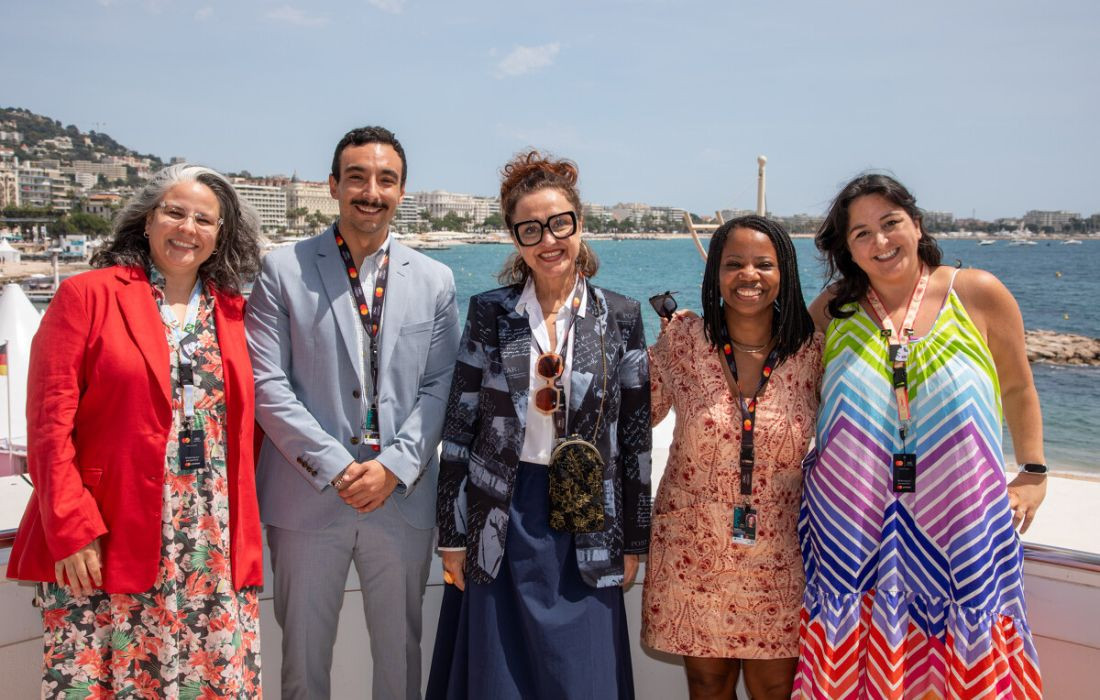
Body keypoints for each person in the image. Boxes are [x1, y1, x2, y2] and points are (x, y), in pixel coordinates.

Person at [6, 163, 264, 698]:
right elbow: (48, 426)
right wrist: (71, 529)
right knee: (111, 679)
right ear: (147, 220)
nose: (188, 228)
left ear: (221, 236)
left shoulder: (235, 312)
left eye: (204, 220)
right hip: (107, 532)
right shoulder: (87, 295)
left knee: (209, 680)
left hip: (209, 539)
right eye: (175, 212)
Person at [795, 173, 1046, 698]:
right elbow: (783, 384)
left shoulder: (976, 292)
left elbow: (1018, 386)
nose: (880, 241)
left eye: (890, 223)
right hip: (852, 523)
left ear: (917, 225)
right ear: (847, 249)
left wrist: (1033, 472)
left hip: (960, 518)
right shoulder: (832, 309)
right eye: (861, 233)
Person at [245, 125, 460, 700]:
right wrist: (337, 467)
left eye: (386, 180)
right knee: (303, 660)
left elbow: (441, 383)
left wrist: (394, 466)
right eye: (357, 177)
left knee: (400, 659)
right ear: (333, 185)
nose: (371, 191)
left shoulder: (436, 280)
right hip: (308, 495)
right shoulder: (281, 270)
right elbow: (267, 384)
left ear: (402, 191)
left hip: (400, 497)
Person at [429, 151, 652, 699]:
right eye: (531, 229)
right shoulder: (490, 312)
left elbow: (635, 439)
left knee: (584, 679)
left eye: (559, 223)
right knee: (500, 680)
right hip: (503, 515)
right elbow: (459, 430)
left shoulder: (620, 315)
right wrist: (452, 536)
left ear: (580, 223)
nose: (548, 240)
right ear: (515, 237)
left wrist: (634, 540)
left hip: (589, 518)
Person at [641, 216, 821, 700]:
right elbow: (635, 416)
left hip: (781, 554)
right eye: (734, 264)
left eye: (764, 264)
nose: (749, 275)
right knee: (707, 685)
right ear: (715, 273)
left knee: (775, 687)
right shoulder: (683, 340)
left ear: (784, 272)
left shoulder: (812, 351)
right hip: (693, 550)